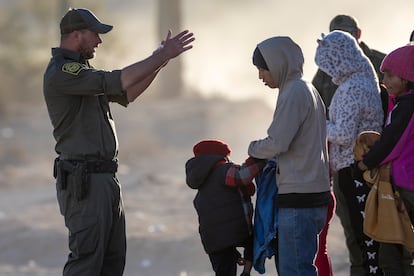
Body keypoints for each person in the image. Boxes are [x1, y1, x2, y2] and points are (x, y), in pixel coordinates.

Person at [43, 8, 194, 276]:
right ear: (76, 35)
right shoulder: (63, 72)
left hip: (103, 179)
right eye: (95, 35)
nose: (99, 42)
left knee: (112, 263)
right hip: (85, 181)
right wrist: (160, 55)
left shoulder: (81, 71)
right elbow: (119, 79)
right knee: (87, 263)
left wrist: (160, 62)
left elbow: (128, 92)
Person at [248, 36, 331, 276]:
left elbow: (278, 142)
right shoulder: (306, 88)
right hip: (310, 193)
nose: (261, 76)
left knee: (295, 270)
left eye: (263, 69)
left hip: (299, 198)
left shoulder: (294, 92)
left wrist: (252, 149)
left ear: (277, 64)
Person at [312, 14, 387, 276]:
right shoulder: (360, 75)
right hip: (358, 166)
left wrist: (317, 126)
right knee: (363, 237)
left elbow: (343, 133)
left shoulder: (355, 84)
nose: (328, 70)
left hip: (354, 168)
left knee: (362, 240)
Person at [356, 45, 414, 275]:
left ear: (408, 76)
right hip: (403, 183)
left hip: (404, 187)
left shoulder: (407, 106)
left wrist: (364, 163)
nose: (384, 80)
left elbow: (392, 142)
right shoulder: (402, 103)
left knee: (394, 249)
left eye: (390, 75)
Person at [185, 139, 266, 276]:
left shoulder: (203, 182)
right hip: (234, 232)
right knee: (252, 242)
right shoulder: (222, 170)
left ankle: (245, 271)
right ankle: (246, 272)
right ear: (217, 156)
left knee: (223, 270)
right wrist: (261, 157)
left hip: (213, 239)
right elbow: (242, 176)